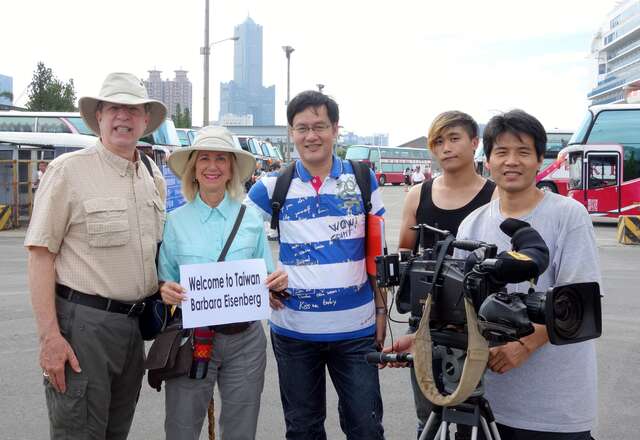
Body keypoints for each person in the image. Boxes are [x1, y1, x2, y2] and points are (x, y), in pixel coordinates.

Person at [386, 109, 601, 440]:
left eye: (523, 152)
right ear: (487, 159)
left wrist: (523, 346)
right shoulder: (472, 223)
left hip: (554, 404)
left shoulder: (568, 216)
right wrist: (422, 339)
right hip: (482, 398)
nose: (511, 161)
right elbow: (461, 304)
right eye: (501, 152)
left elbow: (578, 301)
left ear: (539, 159)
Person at [25, 72, 168, 439]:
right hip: (83, 327)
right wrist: (50, 338)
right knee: (79, 432)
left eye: (133, 109)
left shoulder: (152, 176)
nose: (124, 116)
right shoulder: (68, 172)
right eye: (114, 108)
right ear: (99, 117)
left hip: (133, 330)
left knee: (115, 431)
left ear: (146, 120)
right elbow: (40, 256)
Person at [246, 90, 387, 439]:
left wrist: (382, 312)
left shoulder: (363, 179)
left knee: (366, 428)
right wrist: (260, 282)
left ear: (336, 130)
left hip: (357, 330)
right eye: (302, 128)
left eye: (320, 126)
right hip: (294, 333)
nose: (311, 136)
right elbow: (239, 242)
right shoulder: (269, 187)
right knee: (303, 430)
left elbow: (378, 254)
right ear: (291, 133)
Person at [157, 125, 288, 440]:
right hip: (192, 339)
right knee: (181, 429)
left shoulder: (251, 220)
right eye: (204, 159)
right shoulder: (174, 223)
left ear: (231, 169)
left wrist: (276, 285)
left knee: (241, 431)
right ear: (194, 169)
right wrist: (165, 291)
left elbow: (266, 281)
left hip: (245, 341)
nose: (212, 166)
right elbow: (164, 281)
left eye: (221, 159)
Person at [397, 111, 496, 439]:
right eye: (438, 141)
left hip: (481, 327)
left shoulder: (496, 195)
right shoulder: (417, 195)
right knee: (427, 418)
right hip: (428, 327)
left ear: (475, 143)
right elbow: (405, 255)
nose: (446, 148)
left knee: (479, 422)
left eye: (454, 138)